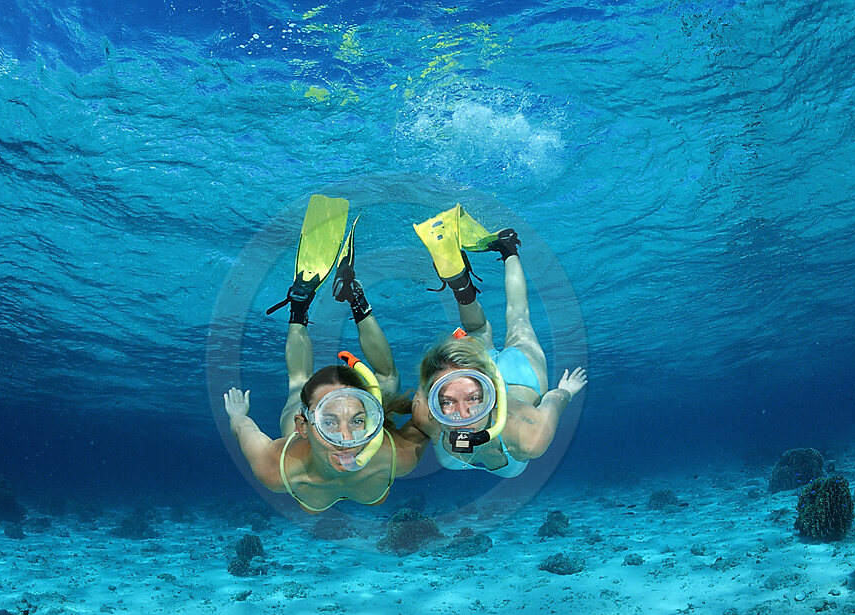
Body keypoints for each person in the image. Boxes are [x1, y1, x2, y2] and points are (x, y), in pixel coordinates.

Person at [224, 195, 426, 513]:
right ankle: (352, 297)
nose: (346, 436)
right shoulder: (277, 468)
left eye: (359, 420)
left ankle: (300, 304)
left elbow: (440, 418)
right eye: (329, 422)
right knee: (385, 378)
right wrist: (238, 416)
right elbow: (242, 430)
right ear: (304, 426)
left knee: (300, 381)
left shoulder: (397, 456)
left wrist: (238, 417)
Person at [410, 205, 586, 477]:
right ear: (435, 404)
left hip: (515, 375)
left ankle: (482, 269)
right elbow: (553, 399)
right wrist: (565, 392)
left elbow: (555, 399)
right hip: (516, 374)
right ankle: (505, 251)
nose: (463, 415)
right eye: (446, 402)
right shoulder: (528, 438)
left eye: (474, 400)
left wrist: (566, 392)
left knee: (511, 320)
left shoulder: (526, 437)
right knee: (514, 319)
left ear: (491, 394)